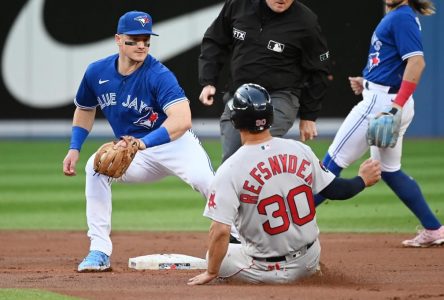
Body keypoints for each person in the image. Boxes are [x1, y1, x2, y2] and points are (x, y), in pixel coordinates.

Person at [62, 11, 216, 272]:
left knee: (209, 183)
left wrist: (143, 143)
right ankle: (99, 250)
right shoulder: (96, 72)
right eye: (135, 39)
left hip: (174, 144)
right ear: (119, 40)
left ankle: (238, 243)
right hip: (135, 151)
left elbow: (182, 119)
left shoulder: (158, 74)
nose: (142, 45)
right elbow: (85, 109)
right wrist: (74, 148)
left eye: (146, 39)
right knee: (95, 169)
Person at [188, 83, 381, 285]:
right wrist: (362, 180)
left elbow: (219, 231)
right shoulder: (300, 149)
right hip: (309, 259)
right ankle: (312, 271)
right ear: (271, 117)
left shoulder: (230, 169)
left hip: (265, 269)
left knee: (213, 256)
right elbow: (336, 190)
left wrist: (211, 271)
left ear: (235, 121)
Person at [314, 0, 444, 247]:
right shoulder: (400, 15)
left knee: (331, 163)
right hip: (389, 100)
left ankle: (287, 226)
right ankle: (434, 229)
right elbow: (392, 62)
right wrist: (367, 82)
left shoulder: (401, 17)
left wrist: (393, 107)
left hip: (383, 106)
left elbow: (417, 63)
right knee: (390, 171)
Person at [198, 0, 330, 163]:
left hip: (280, 96)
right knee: (231, 161)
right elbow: (215, 41)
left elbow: (319, 70)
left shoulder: (306, 21)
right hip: (240, 95)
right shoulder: (238, 5)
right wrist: (208, 81)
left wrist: (309, 116)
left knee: (252, 150)